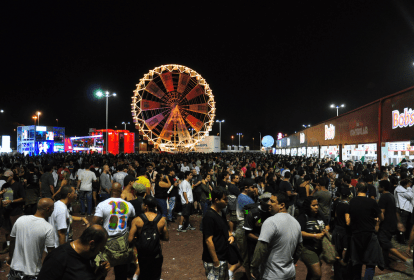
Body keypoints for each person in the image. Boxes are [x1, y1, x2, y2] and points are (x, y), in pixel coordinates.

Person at [251, 192, 303, 280]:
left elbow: (261, 248)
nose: (268, 203)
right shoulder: (296, 222)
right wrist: (292, 262)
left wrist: (254, 267)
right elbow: (299, 248)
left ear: (282, 205)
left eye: (272, 201)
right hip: (290, 274)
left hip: (272, 275)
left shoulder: (270, 221)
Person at [92, 182, 135, 280]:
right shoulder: (129, 205)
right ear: (121, 191)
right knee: (121, 272)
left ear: (111, 190)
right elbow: (132, 220)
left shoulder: (102, 204)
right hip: (122, 242)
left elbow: (94, 223)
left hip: (106, 241)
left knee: (101, 269)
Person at [37, 225, 110, 280]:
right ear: (92, 244)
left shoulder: (89, 256)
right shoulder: (58, 258)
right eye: (100, 248)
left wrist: (101, 273)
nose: (100, 251)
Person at [7, 198, 55, 279]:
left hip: (15, 269)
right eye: (53, 208)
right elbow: (51, 252)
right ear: (48, 209)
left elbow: (12, 241)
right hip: (32, 273)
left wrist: (11, 258)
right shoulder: (48, 227)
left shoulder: (20, 219)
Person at [348, 182, 384, 280]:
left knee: (357, 263)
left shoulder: (352, 201)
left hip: (356, 234)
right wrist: (376, 221)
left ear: (357, 189)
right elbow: (382, 216)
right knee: (371, 262)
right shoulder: (371, 202)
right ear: (367, 190)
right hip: (369, 234)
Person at [128, 195, 169, 280]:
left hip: (143, 254)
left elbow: (130, 239)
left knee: (144, 276)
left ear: (145, 206)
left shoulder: (137, 220)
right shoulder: (161, 220)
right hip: (156, 254)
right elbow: (166, 237)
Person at [377, 180, 413, 271]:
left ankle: (406, 260)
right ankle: (385, 263)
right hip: (391, 224)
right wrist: (399, 222)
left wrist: (377, 224)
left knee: (386, 243)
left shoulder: (384, 197)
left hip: (385, 225)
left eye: (379, 186)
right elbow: (396, 211)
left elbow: (382, 213)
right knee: (385, 245)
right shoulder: (391, 196)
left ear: (383, 187)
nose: (378, 188)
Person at [201, 187, 235, 280]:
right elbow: (208, 240)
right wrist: (216, 261)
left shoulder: (221, 212)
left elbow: (225, 228)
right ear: (216, 200)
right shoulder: (209, 216)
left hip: (223, 257)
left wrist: (230, 235)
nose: (227, 201)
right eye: (224, 199)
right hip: (214, 260)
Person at [296, 196, 329, 280]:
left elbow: (327, 225)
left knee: (312, 273)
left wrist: (325, 230)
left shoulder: (319, 214)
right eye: (313, 205)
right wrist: (314, 235)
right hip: (307, 248)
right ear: (308, 206)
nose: (316, 207)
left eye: (317, 205)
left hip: (319, 248)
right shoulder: (303, 217)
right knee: (317, 273)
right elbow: (299, 232)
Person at [243, 192, 272, 267]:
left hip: (269, 243)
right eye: (267, 201)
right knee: (252, 262)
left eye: (271, 200)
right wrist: (261, 240)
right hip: (255, 243)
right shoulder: (253, 213)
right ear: (261, 201)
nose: (269, 203)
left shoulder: (272, 212)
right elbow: (248, 233)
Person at [234, 178, 255, 280]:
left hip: (243, 227)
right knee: (246, 257)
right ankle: (248, 277)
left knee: (247, 255)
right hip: (243, 229)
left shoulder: (244, 197)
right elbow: (248, 213)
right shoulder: (244, 199)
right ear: (246, 188)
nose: (254, 189)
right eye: (252, 187)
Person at [1, 170, 26, 254]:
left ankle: (19, 247)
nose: (5, 179)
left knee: (17, 230)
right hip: (6, 212)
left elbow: (23, 198)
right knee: (7, 230)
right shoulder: (4, 185)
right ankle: (9, 246)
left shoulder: (18, 185)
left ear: (11, 176)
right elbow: (1, 196)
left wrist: (11, 201)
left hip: (16, 212)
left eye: (6, 177)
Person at [394, 178, 413, 244]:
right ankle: (401, 240)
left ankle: (403, 238)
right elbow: (411, 196)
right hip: (402, 209)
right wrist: (409, 189)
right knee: (402, 224)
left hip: (403, 208)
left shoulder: (400, 189)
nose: (409, 185)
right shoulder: (400, 190)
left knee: (403, 224)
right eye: (408, 184)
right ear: (405, 184)